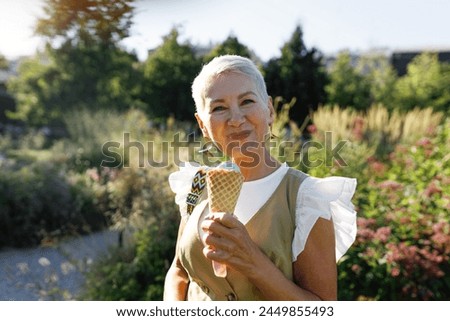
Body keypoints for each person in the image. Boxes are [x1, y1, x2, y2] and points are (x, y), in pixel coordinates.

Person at [164, 55, 357, 301]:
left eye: (246, 101)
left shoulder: (306, 199)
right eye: (219, 108)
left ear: (269, 111)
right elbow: (179, 271)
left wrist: (251, 261)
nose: (235, 119)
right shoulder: (197, 183)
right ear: (202, 124)